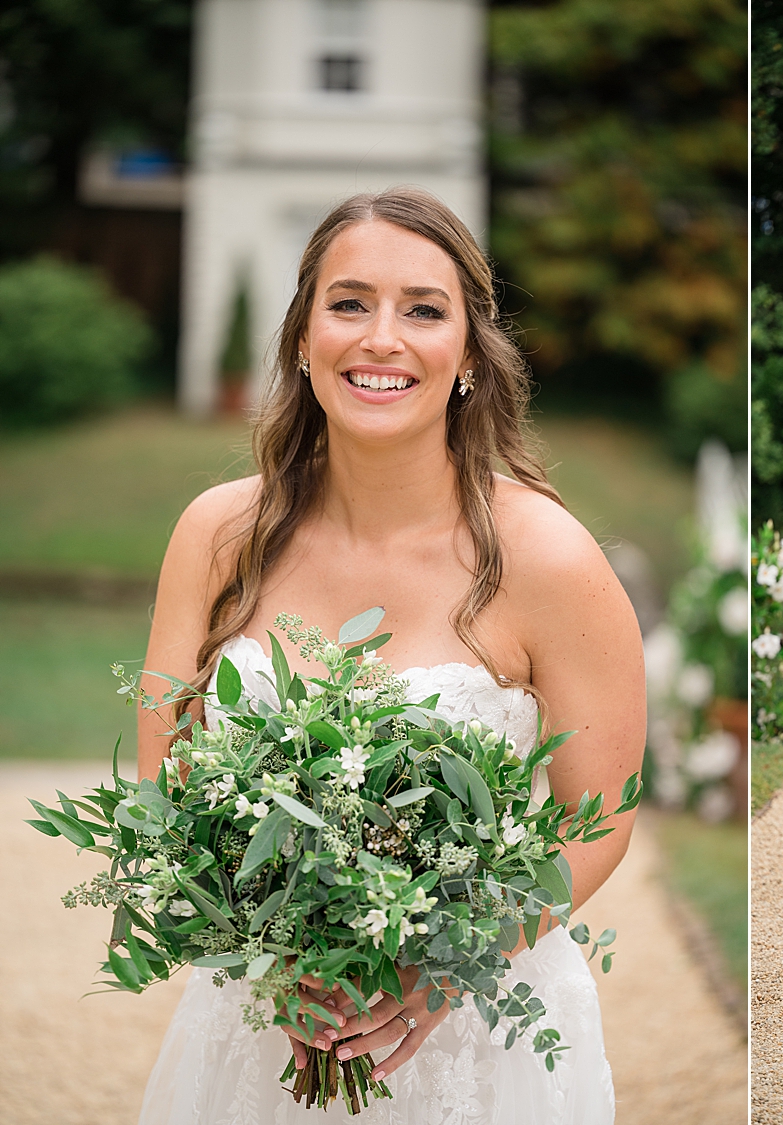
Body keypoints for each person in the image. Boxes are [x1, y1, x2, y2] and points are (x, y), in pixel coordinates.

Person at [135, 187, 645, 1122]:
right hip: (264, 1018)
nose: (382, 338)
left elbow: (598, 817)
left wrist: (451, 964)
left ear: (467, 355)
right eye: (349, 302)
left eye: (423, 309)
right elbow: (165, 783)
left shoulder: (548, 557)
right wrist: (269, 951)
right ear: (302, 335)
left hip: (479, 1035)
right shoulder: (217, 534)